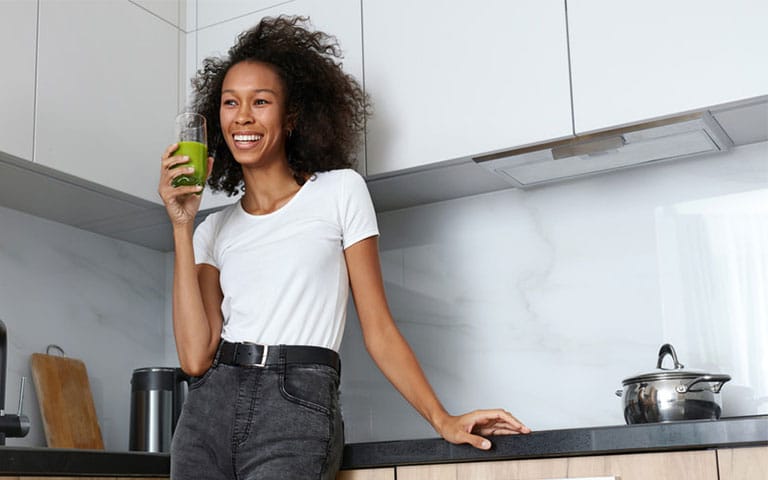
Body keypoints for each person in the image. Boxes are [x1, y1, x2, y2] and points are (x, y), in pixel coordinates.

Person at [158, 15, 530, 480]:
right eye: (231, 103)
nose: (244, 117)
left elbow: (379, 329)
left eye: (261, 101)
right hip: (207, 412)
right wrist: (180, 224)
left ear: (291, 116)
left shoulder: (339, 193)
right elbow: (195, 358)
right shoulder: (211, 229)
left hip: (295, 408)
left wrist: (443, 418)